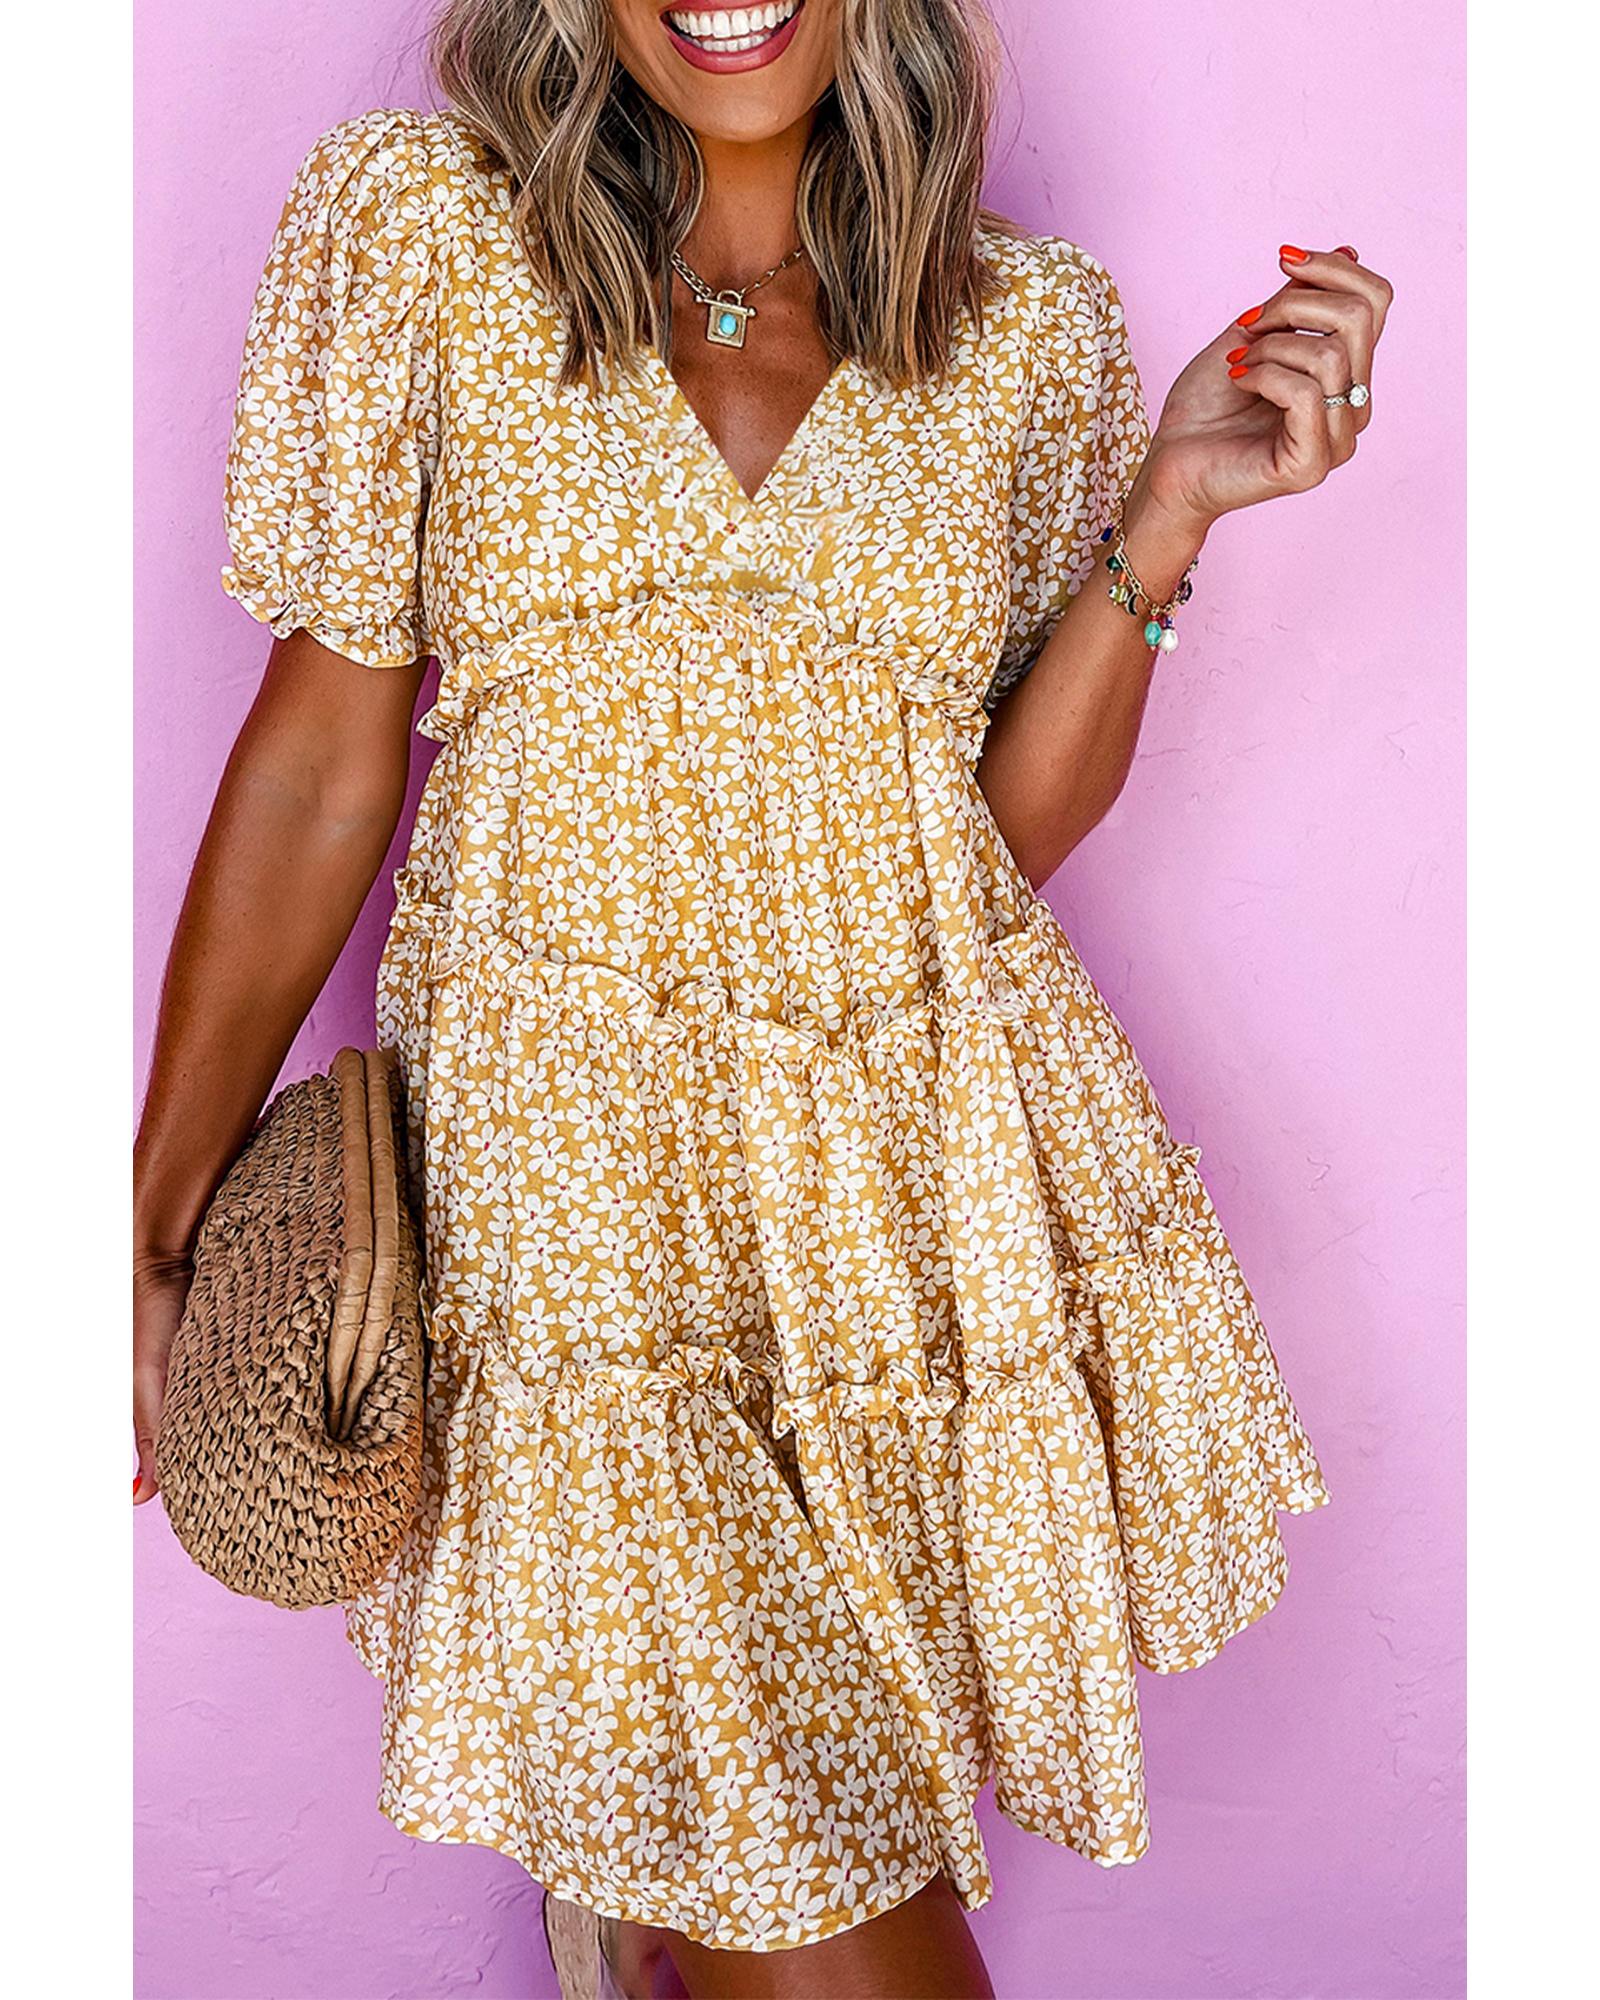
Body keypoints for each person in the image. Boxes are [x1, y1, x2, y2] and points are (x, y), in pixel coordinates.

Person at [133, 3, 1393, 1995]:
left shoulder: (1023, 333)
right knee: (826, 1908)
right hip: (574, 1229)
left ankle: (639, 1925)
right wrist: (159, 1215)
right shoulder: (428, 234)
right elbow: (316, 762)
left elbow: (971, 837)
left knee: (778, 1859)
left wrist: (1163, 519)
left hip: (889, 1223)